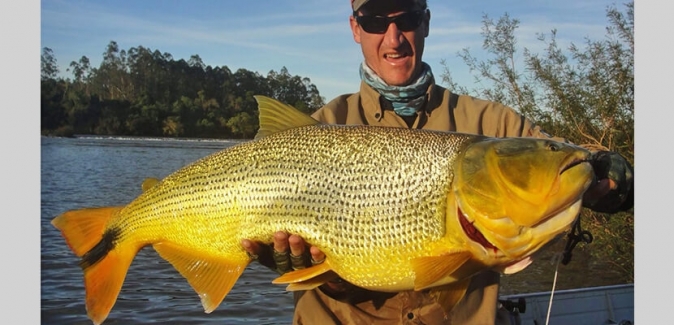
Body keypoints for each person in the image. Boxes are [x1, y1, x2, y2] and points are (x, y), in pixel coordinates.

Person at [241, 0, 634, 324]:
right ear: (355, 28)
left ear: (425, 22)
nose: (393, 38)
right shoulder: (322, 126)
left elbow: (574, 161)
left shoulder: (492, 125)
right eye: (375, 20)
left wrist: (610, 176)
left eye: (406, 18)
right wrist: (307, 270)